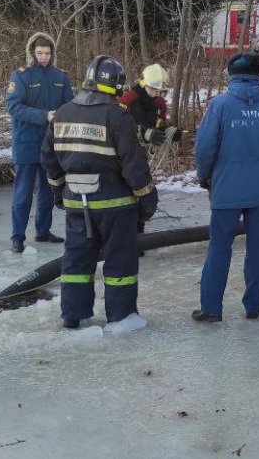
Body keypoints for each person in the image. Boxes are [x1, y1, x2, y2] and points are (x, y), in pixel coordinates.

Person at [41, 55, 158, 330]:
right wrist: (147, 200)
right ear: (116, 86)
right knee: (120, 263)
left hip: (77, 205)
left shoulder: (62, 113)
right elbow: (134, 166)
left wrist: (59, 190)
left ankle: (73, 315)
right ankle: (121, 316)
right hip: (115, 206)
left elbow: (49, 158)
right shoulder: (118, 116)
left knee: (76, 260)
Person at [192, 53, 259, 323]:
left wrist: (205, 176)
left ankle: (211, 309)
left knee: (219, 247)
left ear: (231, 75)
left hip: (226, 189)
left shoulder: (220, 105)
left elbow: (204, 148)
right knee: (257, 247)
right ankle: (254, 306)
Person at [6, 32, 74, 253]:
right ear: (32, 53)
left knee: (48, 191)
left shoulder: (61, 77)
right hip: (26, 143)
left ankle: (43, 231)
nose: (44, 57)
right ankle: (17, 238)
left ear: (53, 53)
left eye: (47, 53)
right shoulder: (21, 77)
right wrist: (44, 116)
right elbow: (13, 107)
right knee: (23, 193)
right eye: (40, 53)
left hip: (51, 144)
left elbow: (69, 105)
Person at [118, 63, 183, 243]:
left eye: (160, 91)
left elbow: (160, 124)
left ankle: (138, 236)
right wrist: (144, 133)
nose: (157, 94)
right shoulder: (127, 98)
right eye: (154, 90)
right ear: (144, 83)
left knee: (143, 196)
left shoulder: (160, 103)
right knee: (125, 195)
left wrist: (171, 131)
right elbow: (118, 126)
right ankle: (123, 237)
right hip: (122, 156)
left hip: (141, 156)